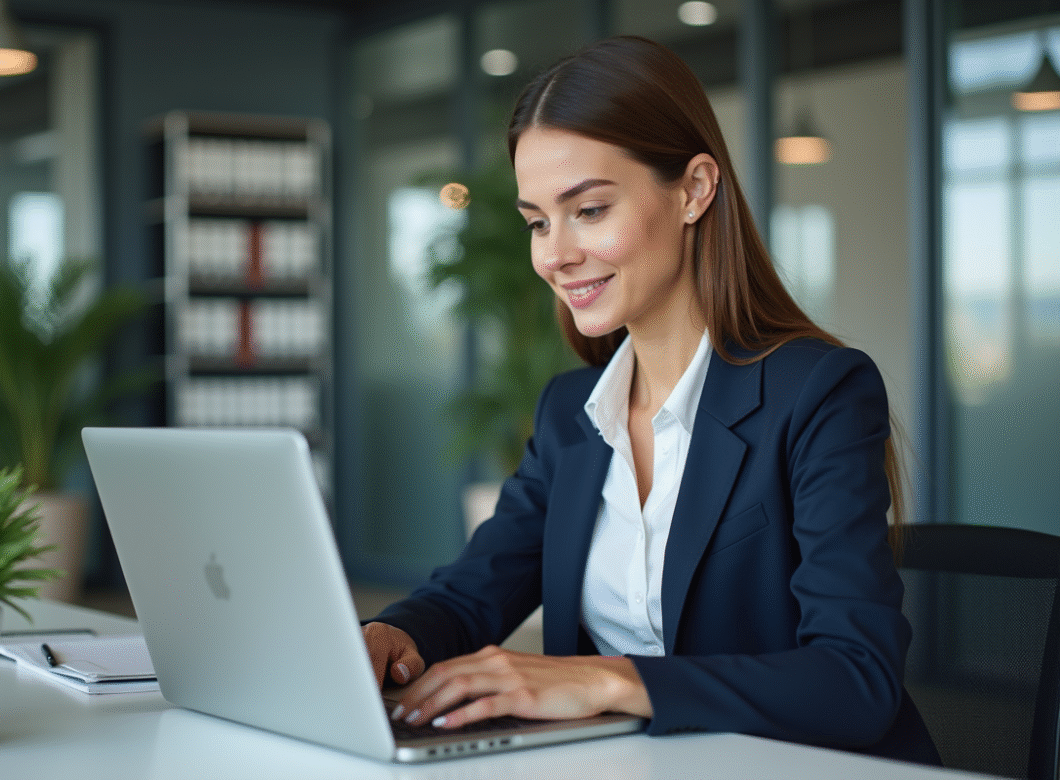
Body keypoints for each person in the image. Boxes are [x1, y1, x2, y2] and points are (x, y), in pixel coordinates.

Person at [363, 35, 940, 766]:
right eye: (538, 221)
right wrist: (390, 636)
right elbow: (472, 593)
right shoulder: (572, 413)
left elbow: (856, 680)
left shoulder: (816, 392)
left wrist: (606, 681)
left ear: (695, 189)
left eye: (591, 210)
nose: (554, 254)